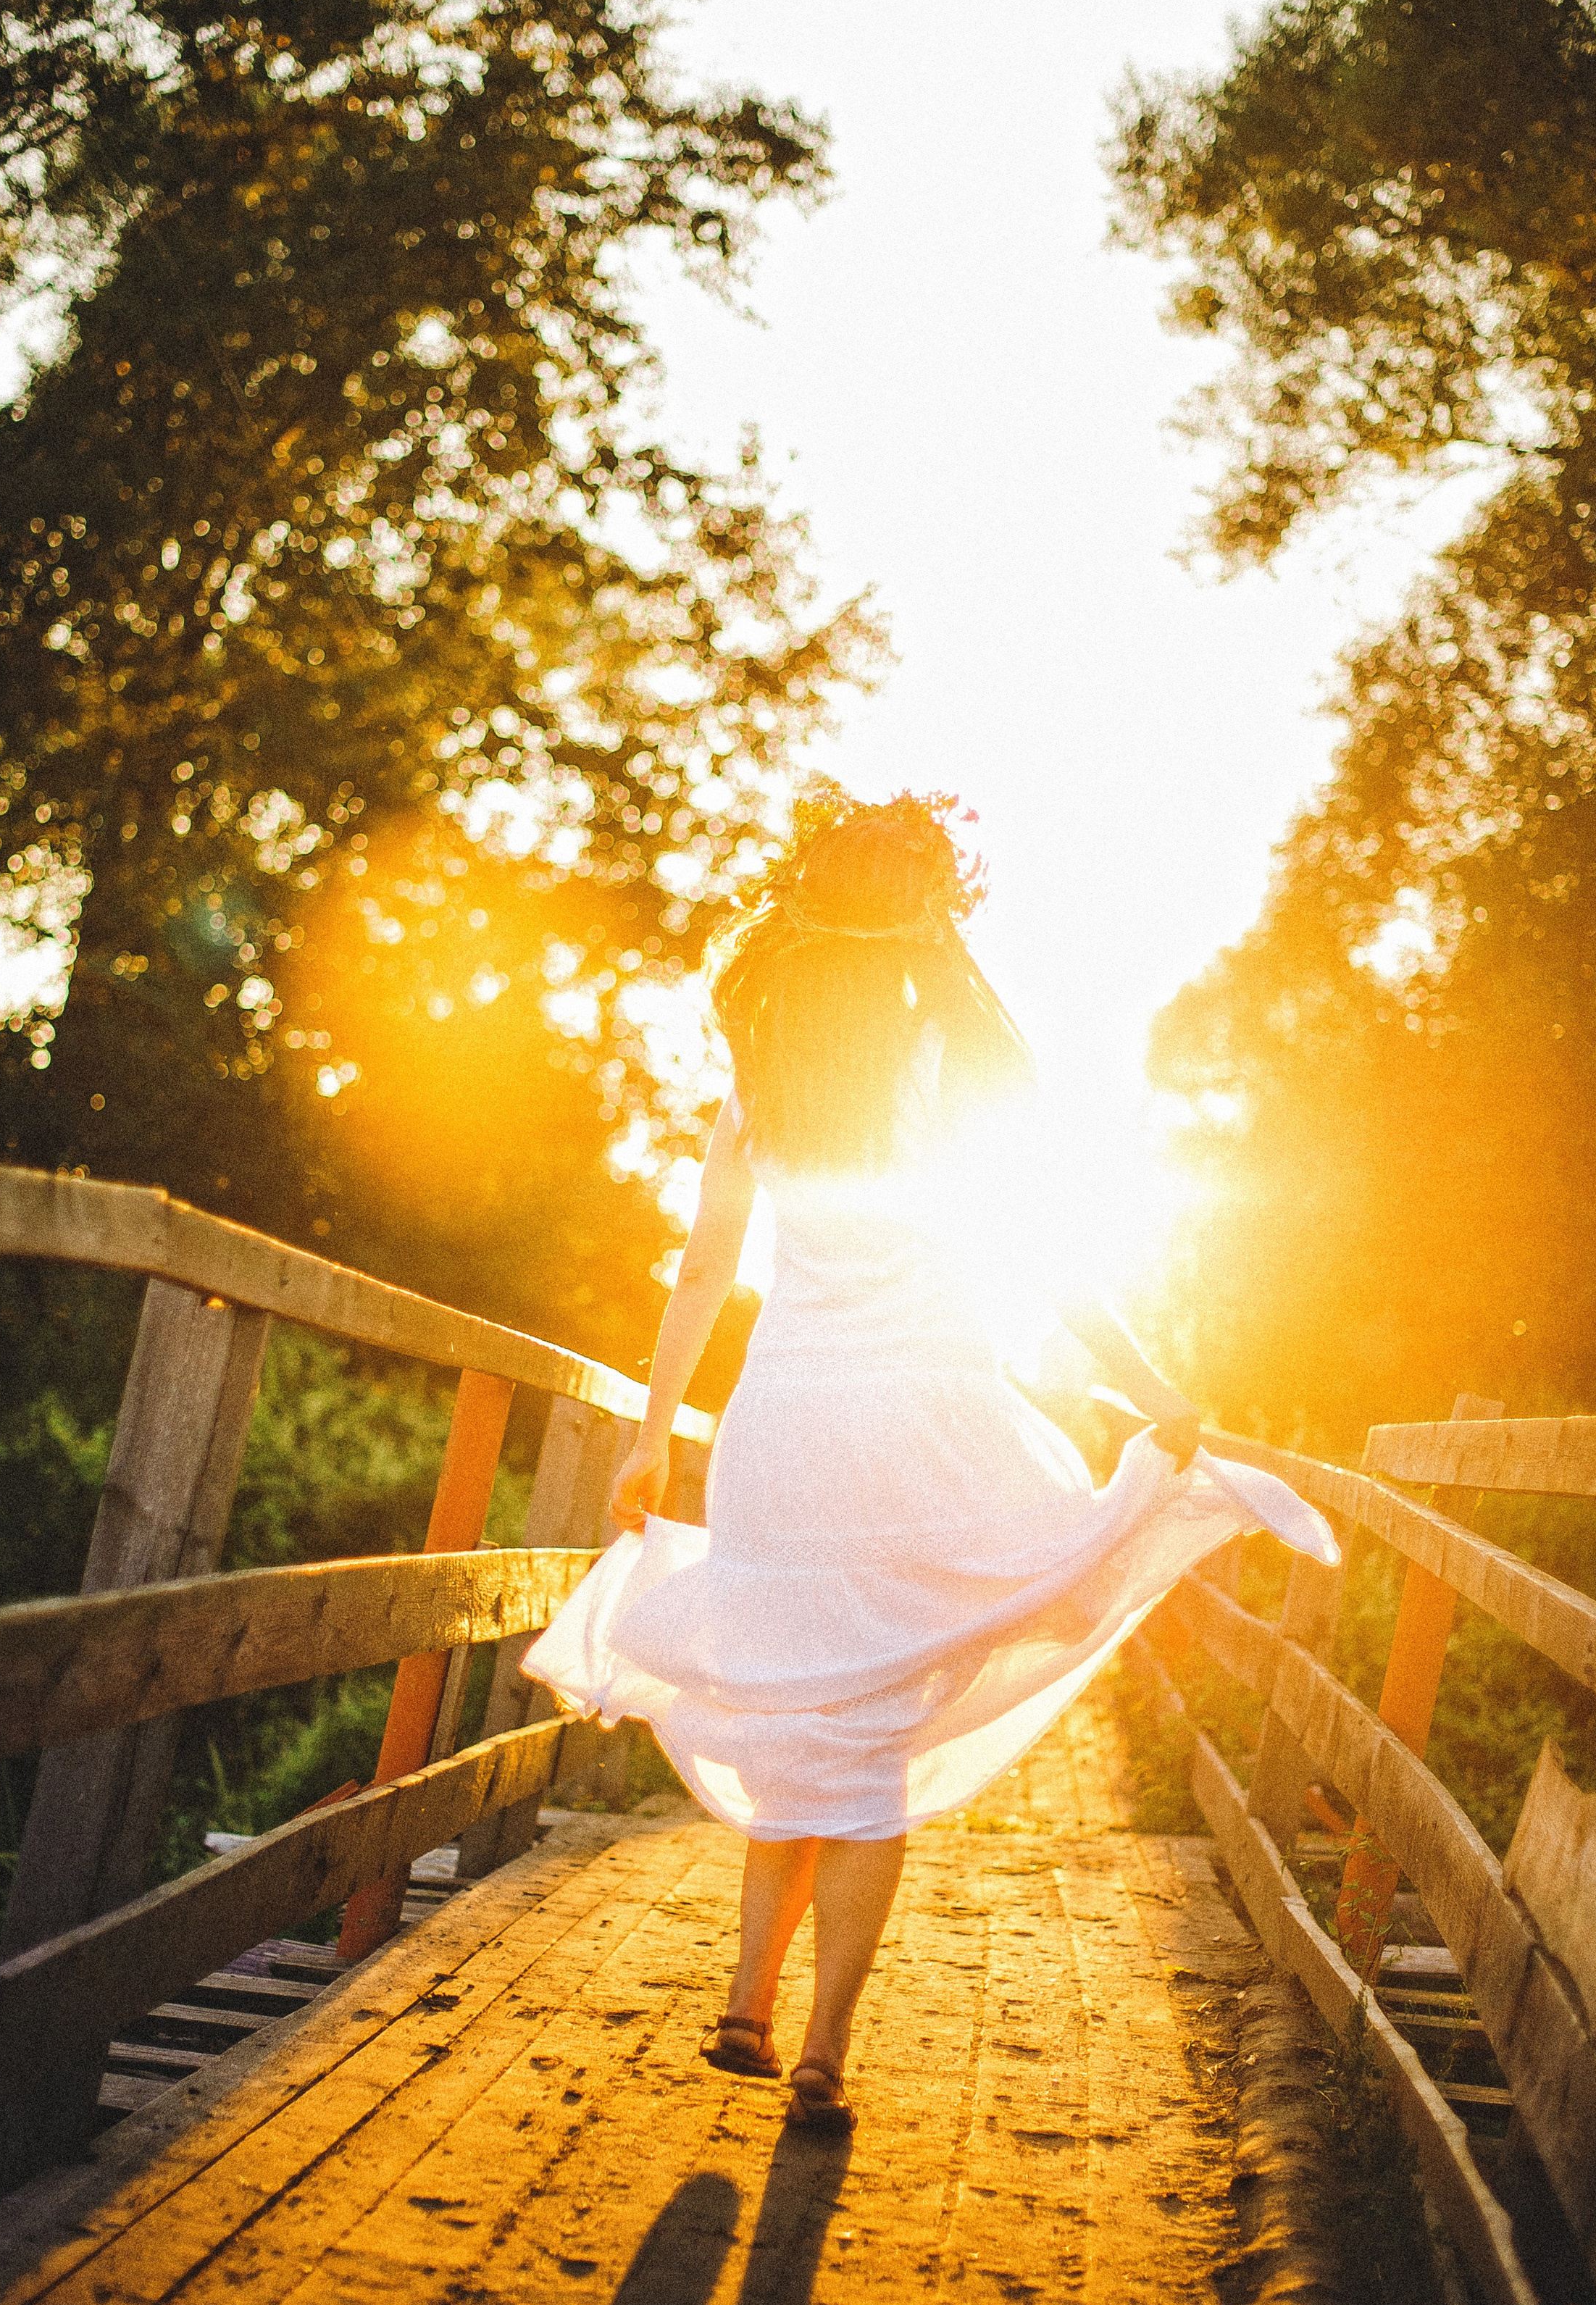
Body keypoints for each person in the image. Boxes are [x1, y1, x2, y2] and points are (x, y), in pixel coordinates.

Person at [524, 791, 1334, 2135]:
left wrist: (656, 1433)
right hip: (923, 1422)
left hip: (785, 1425)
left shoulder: (767, 1069)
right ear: (921, 917)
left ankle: (746, 1998)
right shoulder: (951, 1066)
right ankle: (827, 2045)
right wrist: (1149, 1389)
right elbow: (1052, 1258)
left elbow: (707, 1266)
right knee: (871, 1738)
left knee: (799, 1707)